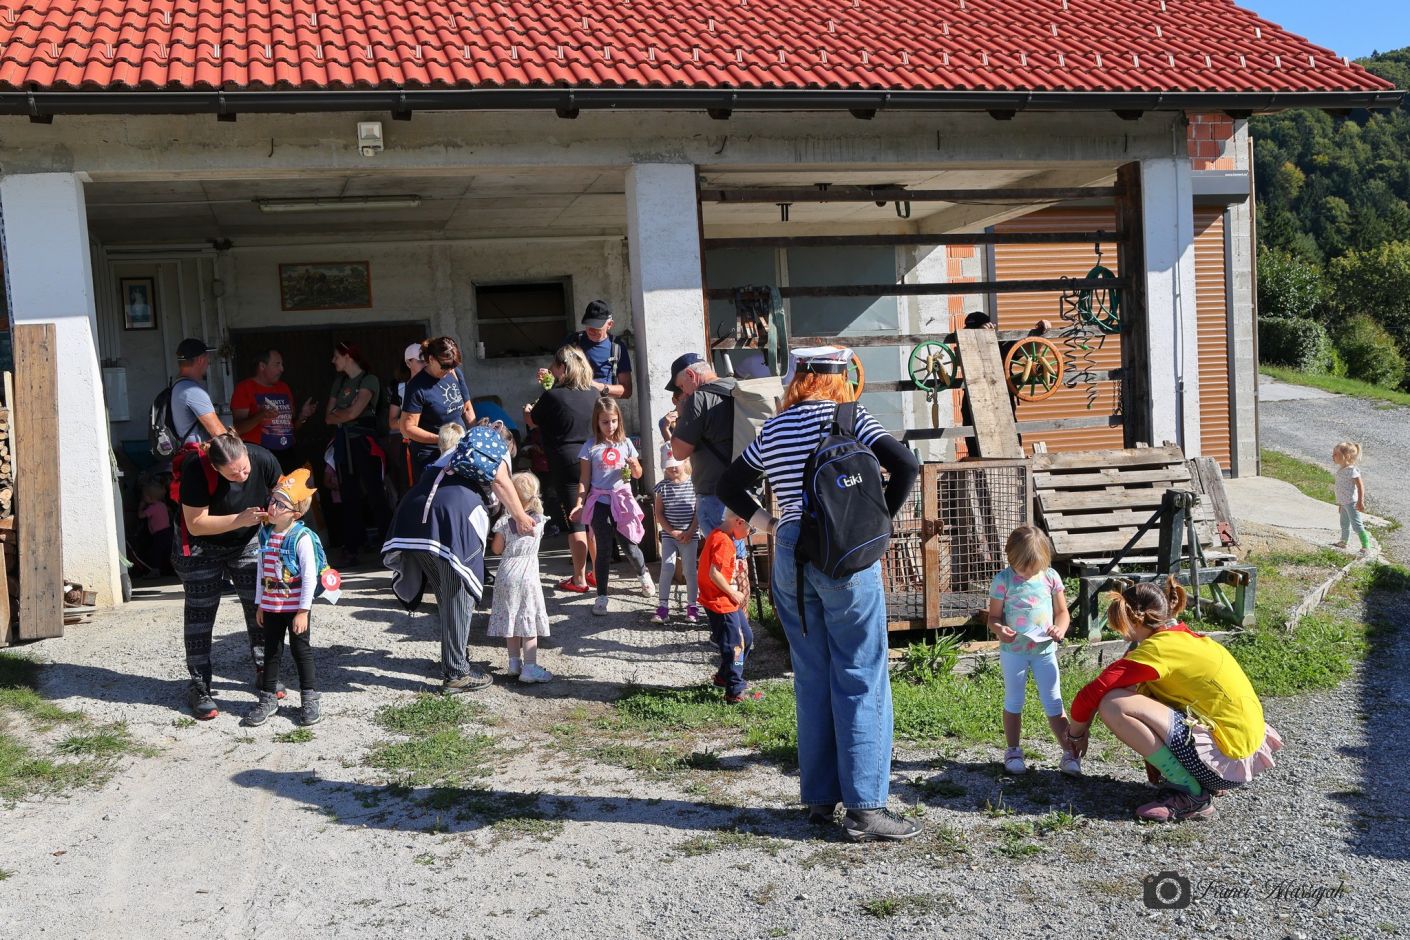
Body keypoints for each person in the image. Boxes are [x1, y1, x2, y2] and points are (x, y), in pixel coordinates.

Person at [717, 346, 921, 841]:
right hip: (843, 554)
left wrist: (770, 522)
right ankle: (867, 808)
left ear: (799, 377)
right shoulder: (850, 418)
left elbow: (729, 485)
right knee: (861, 672)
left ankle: (820, 800)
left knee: (811, 674)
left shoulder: (775, 427)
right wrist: (875, 523)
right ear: (838, 377)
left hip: (790, 551)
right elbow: (907, 467)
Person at [1067, 577, 1283, 822]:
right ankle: (1199, 781)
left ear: (1135, 619)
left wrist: (1075, 736)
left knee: (1114, 704)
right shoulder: (1187, 638)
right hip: (1241, 757)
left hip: (1225, 762)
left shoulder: (1158, 650)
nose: (1124, 636)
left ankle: (1191, 794)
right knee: (1135, 696)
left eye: (1123, 626)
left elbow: (1093, 692)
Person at [382, 428, 535, 693]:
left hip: (413, 513)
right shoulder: (495, 449)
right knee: (458, 595)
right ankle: (456, 672)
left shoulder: (456, 450)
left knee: (446, 593)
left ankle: (455, 658)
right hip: (452, 518)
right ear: (508, 445)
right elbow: (500, 481)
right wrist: (521, 517)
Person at [173, 432, 282, 720]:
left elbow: (285, 494)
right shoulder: (196, 469)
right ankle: (199, 686)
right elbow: (195, 524)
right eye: (233, 474)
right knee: (200, 615)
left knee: (260, 606)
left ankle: (265, 672)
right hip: (200, 547)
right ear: (215, 467)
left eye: (244, 468)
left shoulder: (263, 458)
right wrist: (240, 519)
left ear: (246, 452)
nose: (242, 476)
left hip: (246, 541)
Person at [987, 525, 1081, 777]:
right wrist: (999, 629)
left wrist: (1060, 629)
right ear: (1010, 557)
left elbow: (1062, 613)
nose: (1028, 573)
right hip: (1014, 651)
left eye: (1034, 568)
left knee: (1054, 701)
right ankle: (1013, 751)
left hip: (1044, 651)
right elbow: (993, 618)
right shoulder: (1003, 580)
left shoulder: (1050, 577)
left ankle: (1069, 753)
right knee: (1014, 700)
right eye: (1023, 568)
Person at [244, 468, 328, 728]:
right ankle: (268, 698)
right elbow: (261, 571)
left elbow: (310, 577)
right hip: (271, 606)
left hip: (295, 608)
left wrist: (303, 611)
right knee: (271, 651)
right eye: (273, 500)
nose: (272, 506)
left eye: (281, 504)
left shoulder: (301, 538)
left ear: (296, 513)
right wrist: (260, 603)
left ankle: (309, 697)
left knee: (301, 651)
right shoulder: (265, 534)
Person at [526, 345, 601, 593]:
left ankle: (579, 579)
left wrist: (528, 412)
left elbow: (533, 420)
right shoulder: (593, 394)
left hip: (566, 461)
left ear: (562, 367)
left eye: (554, 366)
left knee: (576, 522)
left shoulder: (553, 396)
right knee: (593, 520)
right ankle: (598, 574)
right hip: (593, 458)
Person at [570, 397, 654, 615]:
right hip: (600, 502)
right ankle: (601, 596)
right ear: (596, 422)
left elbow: (638, 474)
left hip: (622, 500)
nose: (610, 426)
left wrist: (634, 466)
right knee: (603, 549)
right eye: (605, 422)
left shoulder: (626, 444)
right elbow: (584, 479)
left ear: (619, 420)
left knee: (630, 546)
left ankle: (643, 573)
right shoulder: (590, 446)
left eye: (614, 421)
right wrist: (579, 503)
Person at [668, 353, 743, 556]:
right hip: (744, 488)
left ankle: (729, 579)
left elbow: (679, 452)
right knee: (737, 555)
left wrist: (682, 414)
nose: (684, 392)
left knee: (721, 557)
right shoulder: (737, 388)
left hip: (714, 492)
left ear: (691, 375)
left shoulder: (699, 398)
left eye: (682, 386)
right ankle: (741, 578)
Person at [324, 341, 392, 566]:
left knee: (375, 493)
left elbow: (353, 412)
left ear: (348, 356)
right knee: (348, 495)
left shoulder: (368, 380)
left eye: (336, 356)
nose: (333, 361)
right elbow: (328, 417)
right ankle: (352, 547)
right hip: (344, 443)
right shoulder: (340, 382)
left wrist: (343, 413)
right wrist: (345, 413)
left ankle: (389, 545)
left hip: (365, 443)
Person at [488, 473, 553, 684]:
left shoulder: (504, 522)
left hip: (506, 574)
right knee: (528, 619)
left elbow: (496, 549)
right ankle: (530, 667)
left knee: (511, 617)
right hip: (527, 575)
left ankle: (514, 662)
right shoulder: (539, 521)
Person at [699, 510, 762, 704]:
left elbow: (720, 568)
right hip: (721, 602)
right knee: (735, 645)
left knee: (747, 638)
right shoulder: (724, 542)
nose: (750, 533)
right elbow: (714, 573)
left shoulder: (720, 535)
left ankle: (724, 676)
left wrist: (735, 568)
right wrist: (733, 593)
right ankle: (735, 690)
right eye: (751, 529)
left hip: (726, 601)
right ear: (740, 522)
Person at [230, 348, 318, 474]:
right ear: (262, 366)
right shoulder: (244, 388)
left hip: (287, 453)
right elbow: (238, 428)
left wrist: (302, 417)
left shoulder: (284, 388)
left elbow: (291, 428)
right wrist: (261, 415)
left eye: (282, 364)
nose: (282, 369)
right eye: (277, 364)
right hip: (259, 455)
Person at [400, 336, 476, 479]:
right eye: (445, 367)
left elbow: (467, 409)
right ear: (431, 359)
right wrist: (442, 439)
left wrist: (474, 434)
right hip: (432, 456)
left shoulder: (455, 373)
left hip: (458, 449)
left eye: (453, 366)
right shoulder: (416, 387)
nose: (449, 370)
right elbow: (407, 428)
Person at [540, 300, 632, 399]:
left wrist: (597, 387)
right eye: (588, 325)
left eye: (596, 327)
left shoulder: (617, 347)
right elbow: (554, 373)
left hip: (601, 404)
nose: (591, 330)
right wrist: (547, 377)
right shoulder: (572, 341)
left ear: (609, 324)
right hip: (573, 402)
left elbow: (627, 391)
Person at [652, 455, 700, 624]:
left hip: (690, 536)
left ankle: (692, 606)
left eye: (675, 464)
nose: (672, 468)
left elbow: (698, 511)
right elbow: (658, 513)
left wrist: (690, 531)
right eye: (669, 465)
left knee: (689, 571)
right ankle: (663, 607)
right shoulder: (662, 487)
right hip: (669, 536)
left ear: (685, 461)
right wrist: (672, 532)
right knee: (667, 568)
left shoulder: (694, 485)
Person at [170, 338, 231, 448]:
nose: (208, 363)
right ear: (200, 360)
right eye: (207, 359)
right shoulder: (192, 391)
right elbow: (219, 433)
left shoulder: (177, 385)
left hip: (185, 451)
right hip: (198, 454)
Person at [387, 341, 426, 495]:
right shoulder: (401, 388)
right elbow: (392, 422)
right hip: (411, 445)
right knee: (411, 488)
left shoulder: (438, 384)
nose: (425, 364)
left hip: (436, 443)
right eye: (421, 360)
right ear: (409, 363)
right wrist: (410, 422)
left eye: (427, 360)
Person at [1331, 441, 1370, 555]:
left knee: (1357, 525)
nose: (1332, 456)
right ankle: (1344, 541)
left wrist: (1360, 501)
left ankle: (1366, 545)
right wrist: (1340, 504)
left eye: (1335, 454)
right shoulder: (1341, 469)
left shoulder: (1352, 470)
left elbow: (1360, 486)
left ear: (1346, 456)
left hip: (1352, 502)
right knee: (1344, 523)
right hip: (1344, 503)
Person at [133, 479, 174, 577]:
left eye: (144, 497)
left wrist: (141, 506)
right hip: (168, 531)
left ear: (149, 498)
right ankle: (171, 569)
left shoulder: (152, 508)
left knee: (156, 552)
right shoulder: (163, 505)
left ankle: (155, 570)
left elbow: (141, 516)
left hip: (159, 534)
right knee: (168, 551)